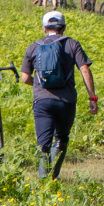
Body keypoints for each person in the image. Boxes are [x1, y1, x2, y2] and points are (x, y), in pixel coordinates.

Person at [21, 10, 97, 179]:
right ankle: (53, 177)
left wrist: (39, 84)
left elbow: (25, 77)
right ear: (63, 28)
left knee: (43, 144)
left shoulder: (34, 47)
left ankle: (43, 181)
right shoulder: (72, 44)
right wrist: (92, 97)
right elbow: (84, 69)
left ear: (44, 28)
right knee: (61, 138)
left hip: (42, 100)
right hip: (66, 100)